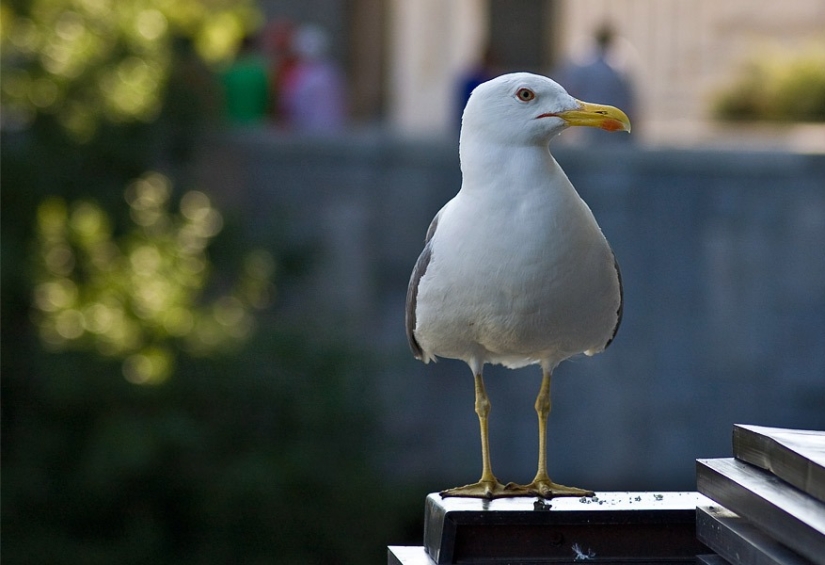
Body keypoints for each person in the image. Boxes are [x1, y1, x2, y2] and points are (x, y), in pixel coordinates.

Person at [556, 24, 636, 144]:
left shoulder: (581, 66)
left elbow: (567, 90)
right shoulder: (618, 71)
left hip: (590, 127)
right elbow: (629, 102)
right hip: (612, 127)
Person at [279, 24, 346, 133]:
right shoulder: (332, 72)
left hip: (310, 133)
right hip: (329, 132)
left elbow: (288, 104)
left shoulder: (300, 74)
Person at [219, 35, 270, 125]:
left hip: (231, 124)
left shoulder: (229, 73)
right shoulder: (260, 73)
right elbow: (268, 100)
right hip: (257, 124)